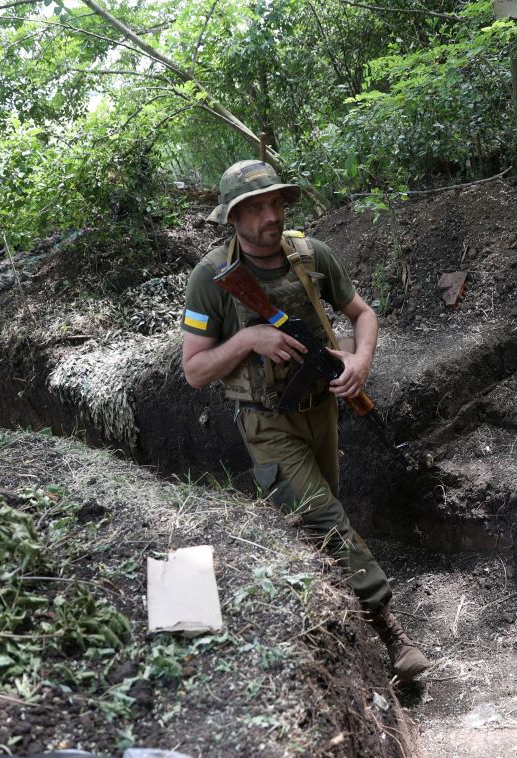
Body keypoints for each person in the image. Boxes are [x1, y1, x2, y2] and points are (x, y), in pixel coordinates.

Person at [180, 160, 431, 683]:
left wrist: (360, 361)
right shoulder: (211, 278)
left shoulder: (311, 254)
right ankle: (389, 630)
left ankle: (325, 607)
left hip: (322, 409)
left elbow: (362, 314)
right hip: (267, 423)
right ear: (233, 218)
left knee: (321, 520)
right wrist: (250, 339)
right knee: (324, 519)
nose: (271, 216)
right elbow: (195, 370)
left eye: (276, 203)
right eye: (255, 209)